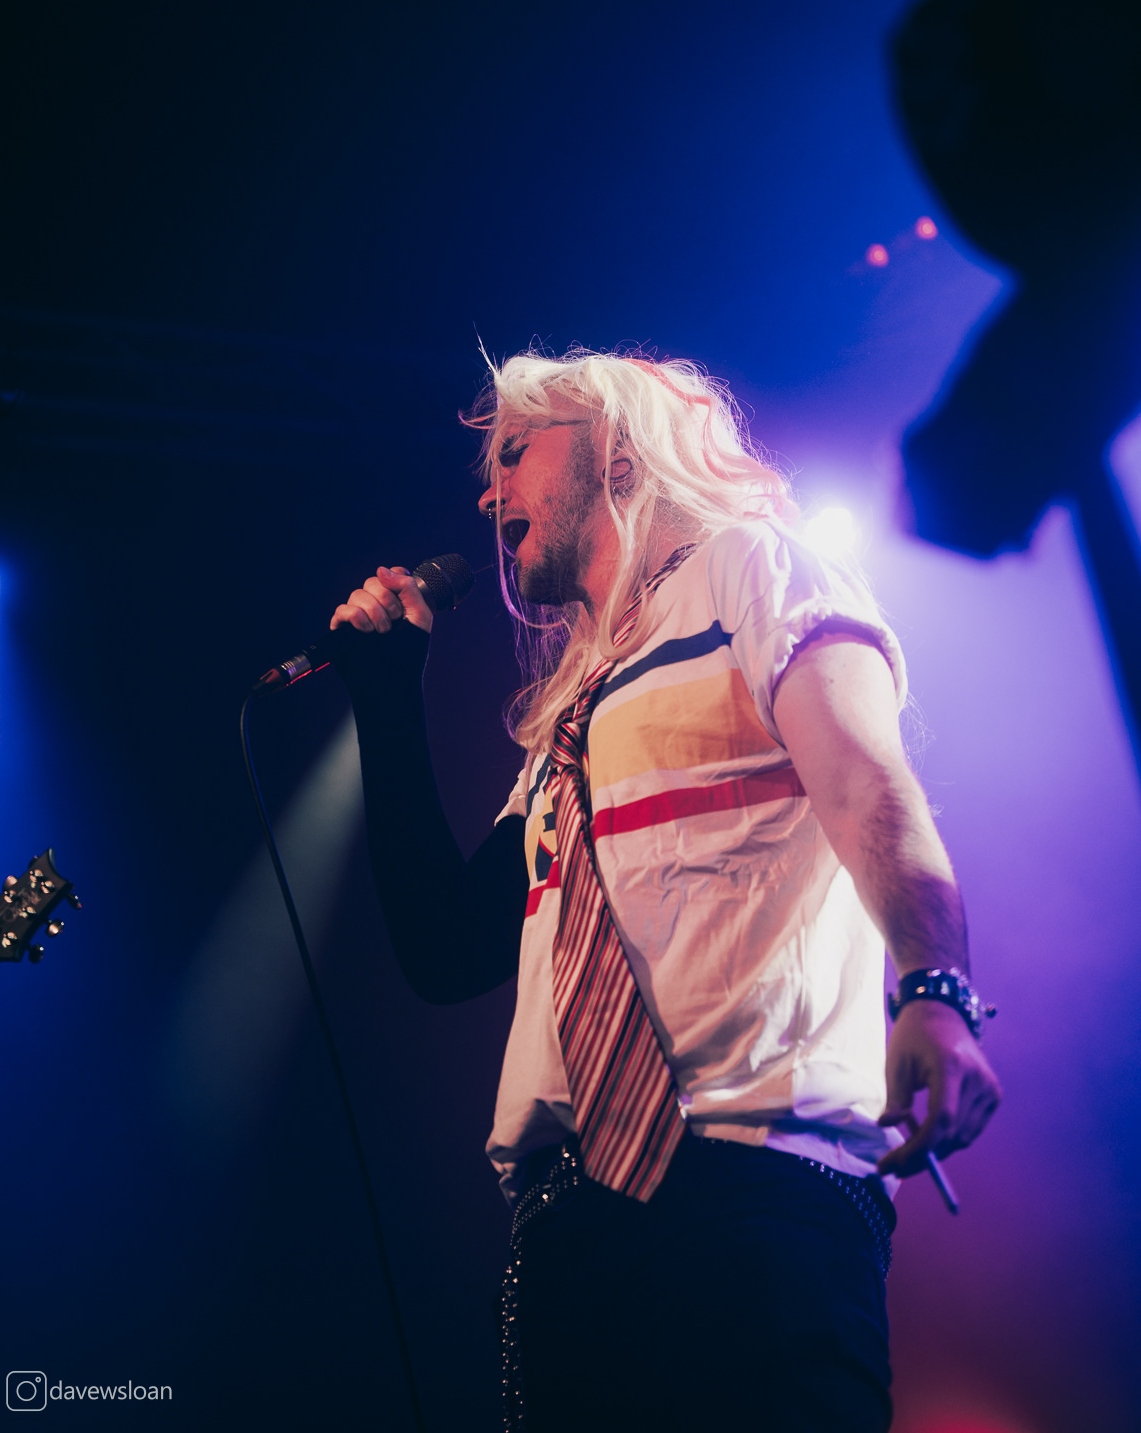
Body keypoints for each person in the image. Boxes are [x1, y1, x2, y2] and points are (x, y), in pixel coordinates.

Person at [328, 351, 1001, 1433]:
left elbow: (867, 783)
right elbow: (449, 949)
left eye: (514, 451)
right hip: (567, 1227)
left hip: (756, 1185)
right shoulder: (570, 724)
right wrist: (384, 697)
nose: (489, 494)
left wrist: (936, 988)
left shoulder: (754, 568)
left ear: (618, 446)